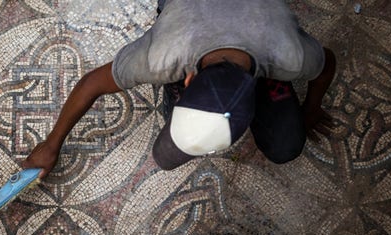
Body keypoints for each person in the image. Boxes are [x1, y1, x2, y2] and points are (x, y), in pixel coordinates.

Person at [22, 0, 336, 178]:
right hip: (189, 13)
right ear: (186, 78)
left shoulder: (290, 54)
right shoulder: (161, 54)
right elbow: (92, 84)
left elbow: (327, 64)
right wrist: (52, 143)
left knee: (286, 146)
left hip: (258, 21)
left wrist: (311, 109)